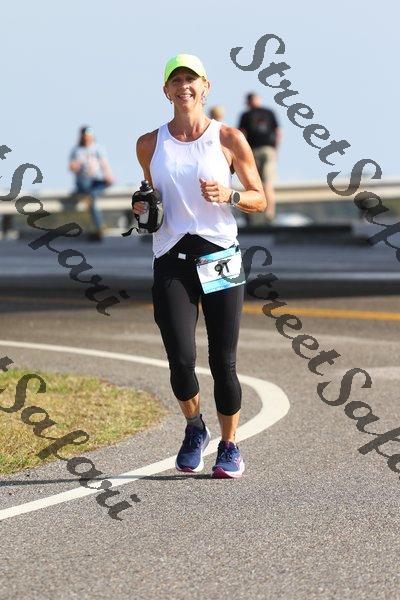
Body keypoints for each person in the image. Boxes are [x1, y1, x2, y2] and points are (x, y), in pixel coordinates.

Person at [133, 53, 267, 478]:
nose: (184, 87)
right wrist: (142, 209)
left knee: (223, 361)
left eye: (191, 79)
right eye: (176, 81)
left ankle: (230, 445)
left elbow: (260, 199)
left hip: (220, 255)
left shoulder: (229, 137)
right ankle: (195, 428)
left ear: (206, 87)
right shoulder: (149, 144)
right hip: (171, 257)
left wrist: (229, 195)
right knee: (180, 358)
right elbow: (153, 200)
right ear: (166, 91)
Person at [238, 93, 281, 222]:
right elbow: (278, 133)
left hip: (254, 151)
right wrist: (275, 150)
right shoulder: (268, 112)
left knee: (253, 182)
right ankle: (269, 214)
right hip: (266, 150)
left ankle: (253, 215)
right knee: (267, 183)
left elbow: (241, 135)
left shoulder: (246, 114)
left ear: (248, 102)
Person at [68, 126, 114, 241]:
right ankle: (99, 226)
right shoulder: (76, 150)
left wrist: (109, 175)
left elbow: (104, 164)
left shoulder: (98, 148)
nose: (87, 139)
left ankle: (98, 226)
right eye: (85, 137)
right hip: (83, 181)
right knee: (90, 194)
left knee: (93, 194)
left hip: (96, 180)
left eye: (88, 136)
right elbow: (72, 167)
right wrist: (76, 165)